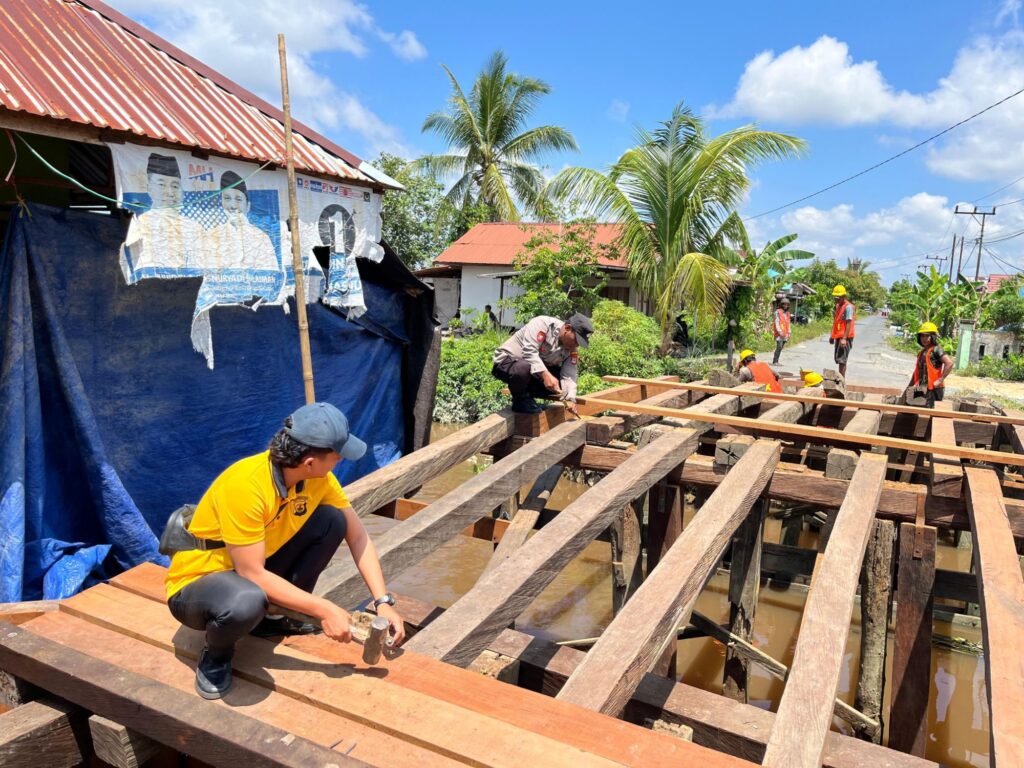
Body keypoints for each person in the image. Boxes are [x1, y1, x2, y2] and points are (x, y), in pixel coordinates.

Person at [164, 403, 405, 700]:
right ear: (309, 462)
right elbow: (252, 574)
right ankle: (216, 655)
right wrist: (324, 609)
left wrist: (382, 601)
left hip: (250, 568)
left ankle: (275, 620)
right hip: (199, 583)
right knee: (246, 600)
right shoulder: (247, 485)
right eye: (337, 455)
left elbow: (357, 536)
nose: (341, 460)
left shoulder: (317, 480)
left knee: (332, 521)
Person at [492, 313, 593, 414]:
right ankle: (519, 401)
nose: (576, 345)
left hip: (531, 371)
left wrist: (570, 398)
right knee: (523, 367)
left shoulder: (572, 349)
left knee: (561, 384)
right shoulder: (542, 324)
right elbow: (529, 352)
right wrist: (545, 375)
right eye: (576, 340)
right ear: (567, 328)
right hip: (507, 363)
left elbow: (570, 374)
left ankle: (528, 398)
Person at [126, 153, 206, 271]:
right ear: (149, 188)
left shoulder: (195, 228)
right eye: (161, 185)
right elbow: (132, 260)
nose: (169, 193)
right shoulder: (141, 222)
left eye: (175, 186)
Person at [207, 170, 280, 271]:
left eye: (238, 199)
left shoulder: (261, 238)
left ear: (248, 206)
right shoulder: (211, 235)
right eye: (227, 198)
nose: (233, 206)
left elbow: (271, 274)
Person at [908, 322, 954, 407]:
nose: (924, 339)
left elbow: (949, 363)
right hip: (921, 387)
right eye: (922, 336)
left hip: (933, 389)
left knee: (930, 412)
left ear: (933, 337)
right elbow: (917, 372)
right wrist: (910, 386)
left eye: (927, 336)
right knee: (916, 409)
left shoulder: (937, 350)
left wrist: (940, 380)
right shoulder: (921, 352)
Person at [830, 285, 856, 378]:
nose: (836, 299)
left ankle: (842, 380)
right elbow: (836, 321)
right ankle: (841, 378)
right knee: (839, 359)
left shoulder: (848, 307)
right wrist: (832, 336)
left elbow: (849, 322)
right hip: (839, 336)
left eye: (838, 297)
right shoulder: (838, 306)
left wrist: (844, 338)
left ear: (843, 296)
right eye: (835, 297)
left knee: (842, 360)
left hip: (845, 337)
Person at [772, 298, 792, 365]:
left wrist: (789, 332)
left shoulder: (787, 313)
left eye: (787, 304)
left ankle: (777, 361)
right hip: (779, 334)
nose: (785, 306)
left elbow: (788, 323)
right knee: (779, 347)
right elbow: (777, 322)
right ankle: (775, 361)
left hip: (785, 333)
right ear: (781, 304)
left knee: (780, 348)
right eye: (784, 304)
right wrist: (780, 332)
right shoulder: (778, 312)